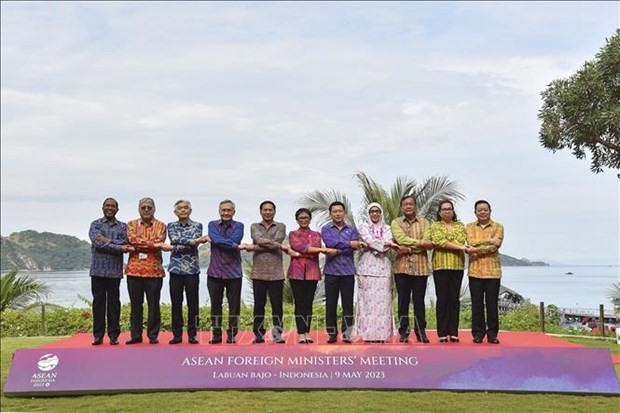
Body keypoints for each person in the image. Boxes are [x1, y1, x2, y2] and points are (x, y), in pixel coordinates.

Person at [88, 197, 133, 346]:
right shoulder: (95, 224)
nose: (110, 208)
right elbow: (98, 243)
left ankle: (114, 336)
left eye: (113, 206)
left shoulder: (123, 227)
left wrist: (107, 241)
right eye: (107, 205)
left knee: (114, 304)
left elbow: (127, 242)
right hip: (98, 270)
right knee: (98, 304)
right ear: (102, 208)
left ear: (117, 209)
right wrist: (118, 246)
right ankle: (98, 336)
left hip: (114, 271)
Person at [125, 197, 168, 345]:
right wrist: (152, 244)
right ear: (139, 209)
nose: (146, 210)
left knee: (154, 305)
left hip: (154, 272)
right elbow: (132, 239)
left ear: (154, 209)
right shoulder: (131, 224)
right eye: (143, 207)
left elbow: (159, 242)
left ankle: (153, 336)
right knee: (135, 305)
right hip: (134, 272)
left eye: (149, 207)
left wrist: (141, 245)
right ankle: (135, 335)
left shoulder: (162, 225)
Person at [390, 195, 433, 343]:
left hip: (421, 268)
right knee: (403, 302)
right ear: (401, 207)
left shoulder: (425, 223)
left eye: (411, 204)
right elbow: (400, 239)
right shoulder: (395, 223)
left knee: (419, 302)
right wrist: (420, 245)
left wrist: (408, 249)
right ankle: (404, 332)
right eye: (405, 204)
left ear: (415, 206)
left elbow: (427, 242)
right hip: (401, 268)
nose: (408, 206)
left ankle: (421, 332)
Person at [321, 201, 365, 343]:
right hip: (331, 272)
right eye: (335, 211)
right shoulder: (326, 229)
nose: (338, 214)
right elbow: (330, 243)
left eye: (340, 211)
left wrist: (340, 249)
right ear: (330, 214)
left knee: (347, 304)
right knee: (331, 304)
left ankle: (347, 333)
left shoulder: (352, 229)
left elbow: (353, 247)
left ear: (344, 212)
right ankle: (332, 333)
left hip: (347, 272)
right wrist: (348, 244)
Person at [287, 208, 332, 344]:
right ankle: (301, 333)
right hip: (296, 273)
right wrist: (305, 250)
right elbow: (298, 246)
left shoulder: (316, 234)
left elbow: (312, 252)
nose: (304, 220)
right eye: (301, 218)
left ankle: (307, 332)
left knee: (308, 303)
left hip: (312, 272)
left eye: (306, 218)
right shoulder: (293, 234)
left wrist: (299, 253)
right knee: (299, 303)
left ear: (310, 219)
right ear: (297, 220)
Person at [167, 200, 209, 345]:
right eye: (180, 208)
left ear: (190, 210)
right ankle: (177, 335)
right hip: (175, 270)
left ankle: (192, 334)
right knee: (176, 303)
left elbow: (186, 244)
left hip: (192, 270)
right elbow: (174, 240)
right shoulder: (171, 225)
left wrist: (186, 243)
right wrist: (193, 241)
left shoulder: (197, 225)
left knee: (193, 303)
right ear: (175, 212)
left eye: (186, 208)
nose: (183, 210)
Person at [355, 203, 399, 342]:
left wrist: (377, 245)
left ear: (381, 213)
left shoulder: (387, 228)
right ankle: (367, 335)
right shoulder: (363, 226)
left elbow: (383, 243)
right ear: (368, 213)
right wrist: (384, 244)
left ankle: (382, 335)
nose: (375, 214)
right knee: (366, 302)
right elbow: (369, 240)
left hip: (383, 268)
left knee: (383, 303)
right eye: (372, 211)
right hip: (366, 268)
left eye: (377, 211)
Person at [206, 200, 248, 344]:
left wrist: (220, 242)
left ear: (233, 212)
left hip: (234, 273)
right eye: (223, 210)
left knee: (234, 307)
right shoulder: (212, 224)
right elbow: (221, 240)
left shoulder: (239, 226)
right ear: (219, 211)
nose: (226, 213)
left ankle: (232, 335)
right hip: (214, 272)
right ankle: (216, 335)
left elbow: (229, 239)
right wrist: (233, 245)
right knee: (215, 306)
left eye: (229, 210)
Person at [465, 200, 504, 344]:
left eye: (485, 210)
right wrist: (489, 240)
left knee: (492, 304)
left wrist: (475, 249)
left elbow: (495, 246)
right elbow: (470, 242)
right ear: (475, 212)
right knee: (476, 305)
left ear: (490, 211)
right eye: (479, 210)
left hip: (493, 272)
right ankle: (478, 334)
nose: (482, 212)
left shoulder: (498, 226)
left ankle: (492, 334)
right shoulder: (469, 227)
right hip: (475, 271)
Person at [249, 201, 288, 344]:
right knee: (259, 306)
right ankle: (258, 335)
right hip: (258, 273)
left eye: (270, 210)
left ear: (274, 211)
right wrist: (278, 246)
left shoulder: (281, 226)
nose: (267, 212)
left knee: (277, 307)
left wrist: (255, 247)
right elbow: (258, 239)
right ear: (260, 211)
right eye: (265, 210)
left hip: (276, 273)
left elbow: (277, 239)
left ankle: (277, 334)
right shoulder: (254, 226)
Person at [430, 200, 467, 343]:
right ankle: (442, 332)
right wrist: (458, 246)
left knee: (454, 300)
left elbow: (461, 239)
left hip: (457, 266)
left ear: (453, 211)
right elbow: (439, 241)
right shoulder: (435, 225)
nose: (447, 211)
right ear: (439, 212)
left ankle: (454, 331)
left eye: (449, 209)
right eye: (444, 209)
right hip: (440, 266)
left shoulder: (460, 226)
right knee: (442, 299)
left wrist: (451, 243)